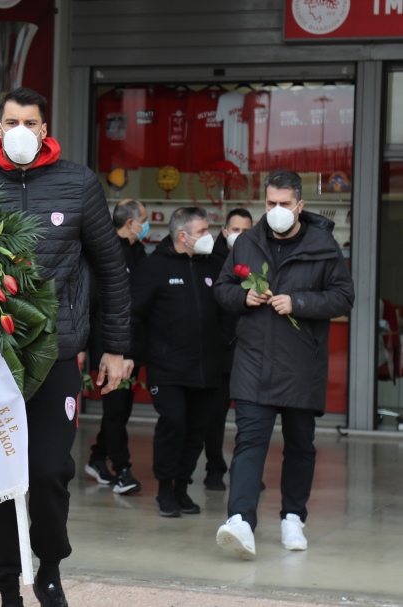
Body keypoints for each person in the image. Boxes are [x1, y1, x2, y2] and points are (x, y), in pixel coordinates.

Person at [0, 88, 130, 607]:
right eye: (11, 121)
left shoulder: (78, 183)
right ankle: (6, 582)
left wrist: (117, 347)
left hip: (56, 353)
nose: (20, 130)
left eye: (29, 122)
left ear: (44, 128)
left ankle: (50, 566)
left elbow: (111, 269)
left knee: (52, 470)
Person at [214, 170, 354, 559]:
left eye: (285, 204)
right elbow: (223, 289)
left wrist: (300, 302)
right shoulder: (246, 243)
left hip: (300, 363)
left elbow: (344, 297)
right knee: (249, 442)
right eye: (271, 203)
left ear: (300, 206)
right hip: (253, 360)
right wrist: (244, 299)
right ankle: (240, 521)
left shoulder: (323, 245)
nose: (277, 211)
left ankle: (293, 516)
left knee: (300, 444)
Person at [130, 207, 228, 518]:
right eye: (202, 231)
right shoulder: (154, 267)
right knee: (174, 423)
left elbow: (227, 312)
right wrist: (134, 355)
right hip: (168, 367)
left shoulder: (216, 264)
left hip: (207, 367)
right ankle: (165, 489)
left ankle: (182, 487)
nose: (208, 236)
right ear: (183, 236)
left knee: (197, 429)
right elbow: (135, 315)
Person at [85, 198, 147, 495]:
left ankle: (98, 457)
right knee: (115, 404)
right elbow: (97, 303)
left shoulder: (139, 253)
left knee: (120, 408)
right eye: (144, 218)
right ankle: (122, 469)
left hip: (131, 344)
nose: (145, 224)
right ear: (131, 223)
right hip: (109, 345)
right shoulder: (107, 254)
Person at [204, 208, 254, 491]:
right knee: (215, 416)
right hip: (221, 352)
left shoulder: (259, 259)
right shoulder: (211, 262)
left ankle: (247, 472)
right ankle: (214, 470)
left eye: (246, 231)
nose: (240, 236)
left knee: (251, 418)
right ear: (225, 232)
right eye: (236, 230)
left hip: (250, 352)